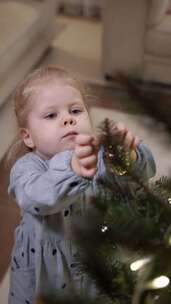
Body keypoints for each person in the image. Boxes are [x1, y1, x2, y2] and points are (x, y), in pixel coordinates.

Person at [7, 66, 156, 303]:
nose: (68, 119)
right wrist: (72, 169)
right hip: (46, 272)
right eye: (51, 115)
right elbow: (35, 196)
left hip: (97, 259)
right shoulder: (27, 168)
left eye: (75, 110)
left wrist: (130, 158)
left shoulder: (99, 155)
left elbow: (136, 182)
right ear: (28, 137)